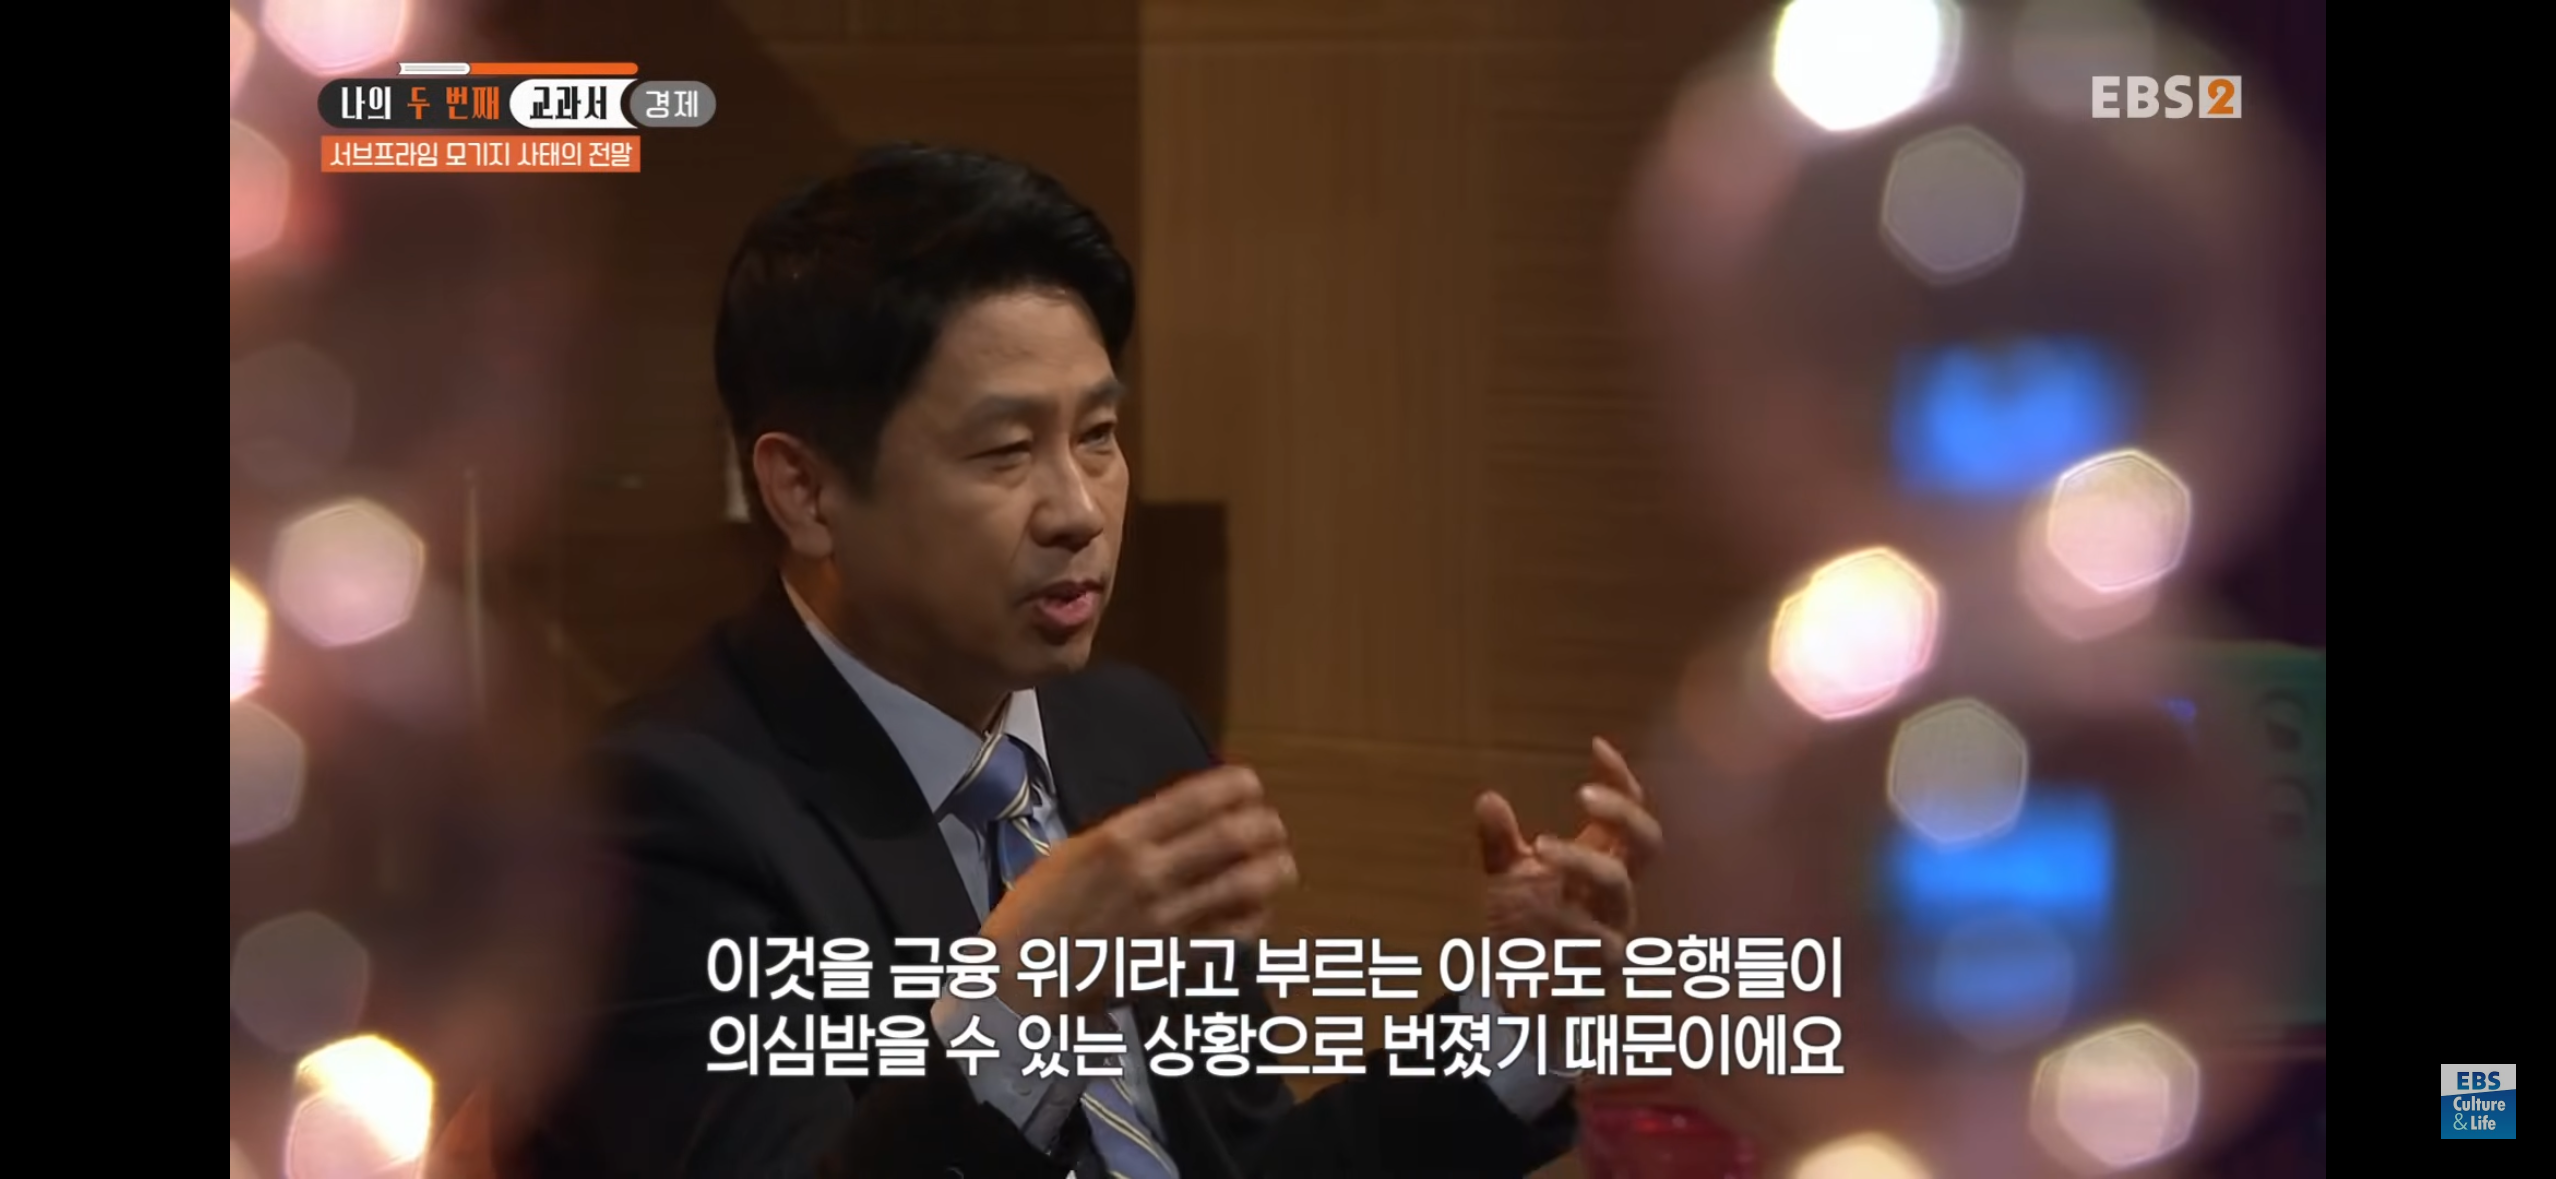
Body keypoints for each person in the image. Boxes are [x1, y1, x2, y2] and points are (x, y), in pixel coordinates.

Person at [500, 143, 1664, 1178]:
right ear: (805, 491)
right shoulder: (649, 818)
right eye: (1006, 451)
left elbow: (1242, 1163)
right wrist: (1018, 999)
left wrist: (1511, 1024)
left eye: (1099, 436)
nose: (1080, 511)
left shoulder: (1132, 734)